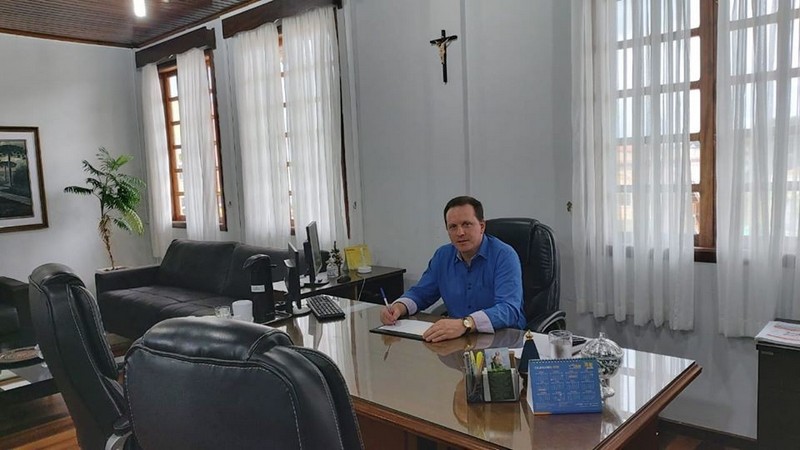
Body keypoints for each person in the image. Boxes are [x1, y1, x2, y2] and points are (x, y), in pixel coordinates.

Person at [380, 195, 525, 342]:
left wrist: (465, 324)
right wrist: (398, 307)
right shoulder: (443, 256)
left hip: (503, 339)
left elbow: (508, 309)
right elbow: (421, 293)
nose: (460, 233)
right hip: (459, 339)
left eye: (466, 224)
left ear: (482, 226)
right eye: (453, 227)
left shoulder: (504, 256)